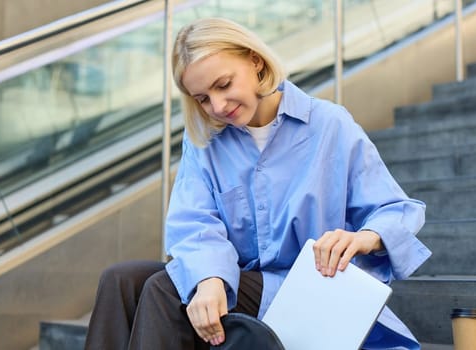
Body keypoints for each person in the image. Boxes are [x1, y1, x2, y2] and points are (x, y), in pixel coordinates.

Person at [84, 17, 431, 350]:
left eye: (223, 85)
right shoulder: (204, 143)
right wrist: (209, 278)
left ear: (256, 62)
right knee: (121, 280)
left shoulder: (329, 125)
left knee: (166, 289)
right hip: (242, 285)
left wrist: (361, 238)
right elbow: (193, 223)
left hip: (317, 292)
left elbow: (396, 210)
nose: (217, 106)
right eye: (202, 98)